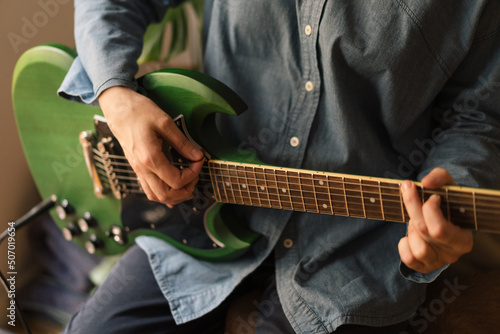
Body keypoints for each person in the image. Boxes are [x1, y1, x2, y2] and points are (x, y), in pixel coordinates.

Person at [57, 0, 500, 333]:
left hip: (355, 252)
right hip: (198, 215)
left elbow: (478, 117)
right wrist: (114, 95)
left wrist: (444, 209)